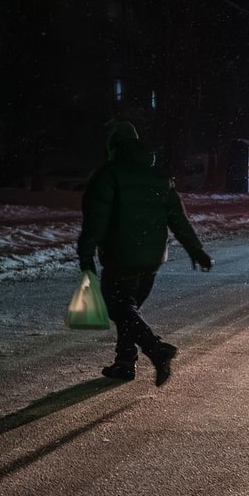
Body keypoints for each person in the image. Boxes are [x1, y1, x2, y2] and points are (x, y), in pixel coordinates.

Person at [76, 122, 212, 386]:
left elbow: (95, 221)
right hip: (151, 260)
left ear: (113, 147)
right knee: (130, 311)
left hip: (121, 256)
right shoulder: (157, 176)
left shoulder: (108, 175)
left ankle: (156, 349)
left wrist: (86, 255)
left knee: (119, 308)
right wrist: (196, 250)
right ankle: (125, 362)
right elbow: (177, 218)